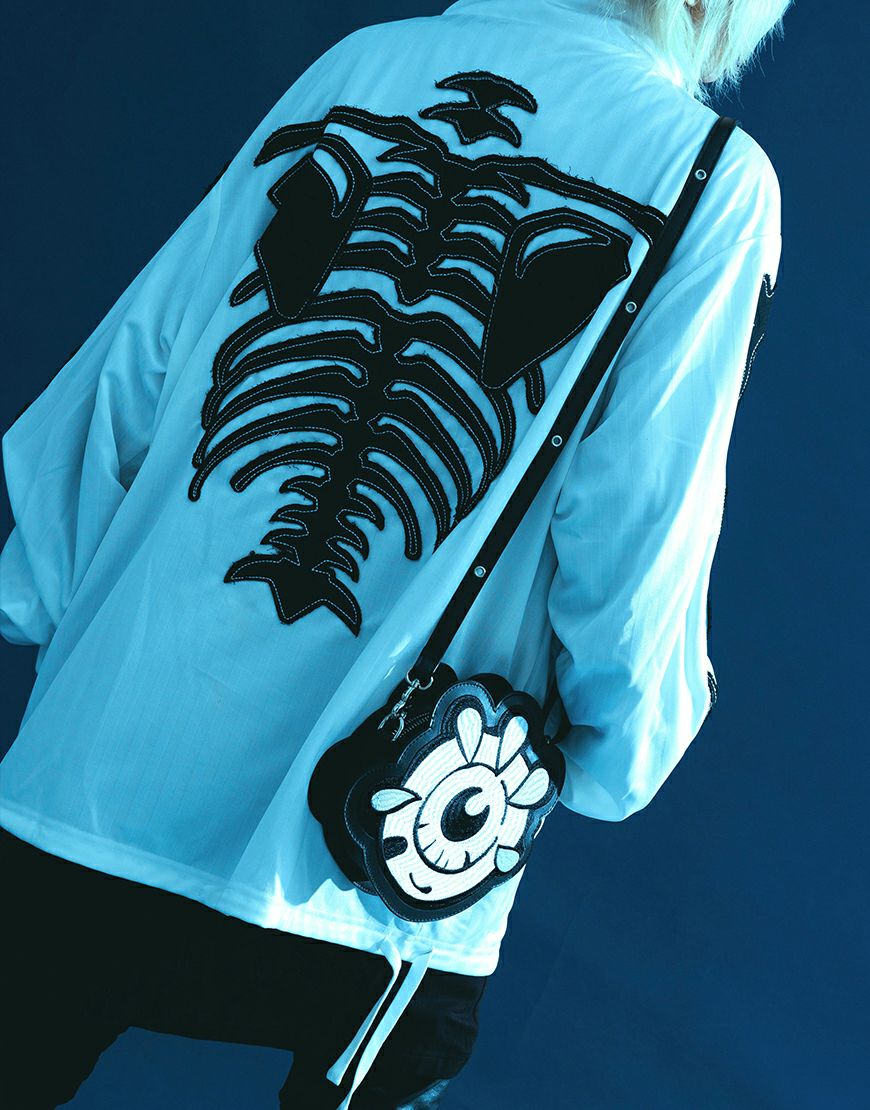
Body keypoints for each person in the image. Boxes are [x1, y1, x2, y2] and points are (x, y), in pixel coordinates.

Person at [0, 0, 791, 1106]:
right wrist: (623, 751)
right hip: (367, 864)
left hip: (94, 768)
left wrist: (40, 590)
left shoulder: (366, 64)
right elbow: (636, 522)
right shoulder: (711, 177)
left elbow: (139, 358)